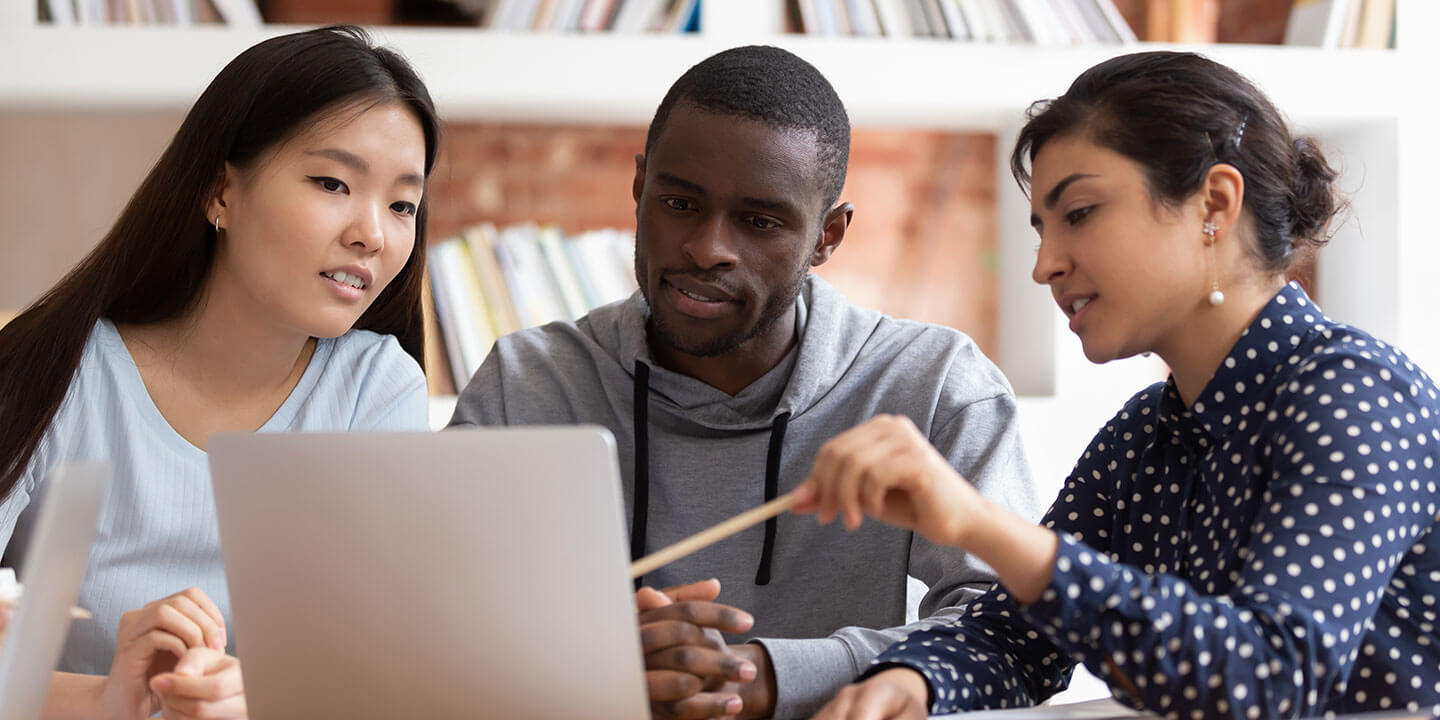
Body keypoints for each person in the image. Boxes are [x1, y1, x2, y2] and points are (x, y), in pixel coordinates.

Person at [798, 50, 1440, 719]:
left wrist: (978, 523)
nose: (1045, 266)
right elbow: (1012, 643)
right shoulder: (1143, 438)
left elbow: (1271, 677)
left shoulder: (1359, 394)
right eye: (1041, 230)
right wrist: (910, 684)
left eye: (1079, 212)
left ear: (1214, 205)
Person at [448, 45, 1041, 719]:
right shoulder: (525, 384)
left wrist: (767, 674)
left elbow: (1013, 642)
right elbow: (427, 629)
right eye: (678, 202)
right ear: (639, 189)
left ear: (828, 236)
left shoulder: (934, 387)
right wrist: (591, 663)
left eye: (760, 221)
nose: (707, 249)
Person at [0, 26, 440, 720]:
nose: (373, 235)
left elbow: (372, 668)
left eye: (402, 205)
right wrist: (115, 698)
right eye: (333, 182)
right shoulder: (51, 373)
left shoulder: (376, 391)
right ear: (219, 191)